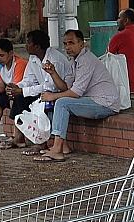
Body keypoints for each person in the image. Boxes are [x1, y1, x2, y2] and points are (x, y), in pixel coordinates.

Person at [30, 29, 121, 162]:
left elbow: (75, 93)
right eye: (65, 44)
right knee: (54, 103)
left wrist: (53, 96)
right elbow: (66, 87)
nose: (67, 47)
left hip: (105, 103)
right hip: (91, 100)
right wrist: (53, 73)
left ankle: (57, 149)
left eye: (71, 43)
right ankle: (63, 146)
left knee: (61, 102)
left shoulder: (86, 60)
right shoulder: (74, 61)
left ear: (81, 44)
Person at [0, 38, 30, 147]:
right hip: (10, 91)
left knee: (15, 98)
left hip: (22, 93)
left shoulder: (20, 63)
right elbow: (1, 86)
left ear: (11, 53)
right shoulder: (0, 65)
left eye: (1, 55)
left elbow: (16, 87)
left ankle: (16, 136)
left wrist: (8, 92)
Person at [104, 8, 134, 93]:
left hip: (130, 88)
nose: (117, 20)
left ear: (126, 20)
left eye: (119, 18)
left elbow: (106, 58)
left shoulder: (119, 37)